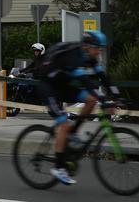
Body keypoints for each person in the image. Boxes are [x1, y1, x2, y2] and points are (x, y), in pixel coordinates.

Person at [38, 30, 121, 186]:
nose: (98, 52)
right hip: (48, 87)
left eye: (100, 49)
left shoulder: (90, 57)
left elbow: (104, 78)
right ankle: (58, 168)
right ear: (87, 47)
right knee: (63, 124)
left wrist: (118, 96)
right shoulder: (73, 57)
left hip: (62, 86)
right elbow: (86, 82)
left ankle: (73, 132)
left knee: (90, 100)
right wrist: (104, 100)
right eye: (97, 48)